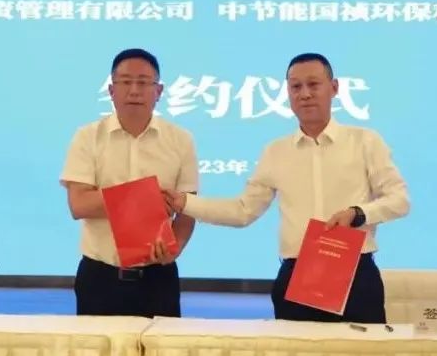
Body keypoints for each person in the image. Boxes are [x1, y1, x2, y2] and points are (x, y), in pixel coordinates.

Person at [164, 52, 409, 323]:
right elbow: (243, 211)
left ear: (334, 87)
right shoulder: (276, 151)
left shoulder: (365, 141)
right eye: (295, 86)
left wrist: (358, 213)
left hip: (355, 277)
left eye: (313, 84)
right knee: (295, 352)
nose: (305, 94)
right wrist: (185, 203)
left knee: (364, 351)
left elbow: (399, 200)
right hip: (297, 276)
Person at [60, 48, 197, 317]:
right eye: (125, 82)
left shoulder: (181, 140)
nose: (134, 91)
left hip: (159, 277)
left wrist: (176, 248)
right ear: (111, 90)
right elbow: (79, 205)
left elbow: (188, 208)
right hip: (100, 277)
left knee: (163, 346)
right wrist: (143, 197)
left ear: (159, 91)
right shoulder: (87, 137)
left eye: (143, 82)